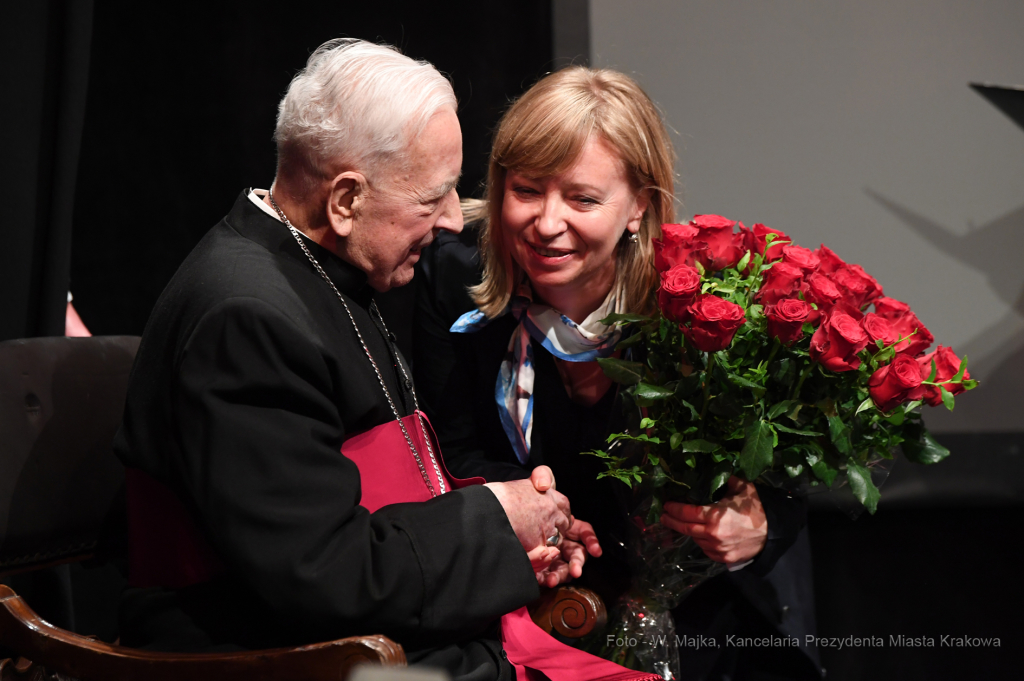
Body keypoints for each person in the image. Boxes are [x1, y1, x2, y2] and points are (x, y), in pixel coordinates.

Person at [113, 39, 619, 681]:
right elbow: (321, 574)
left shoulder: (328, 270)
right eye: (431, 197)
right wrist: (495, 522)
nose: (449, 223)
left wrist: (518, 522)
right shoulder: (245, 318)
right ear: (345, 201)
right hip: (274, 656)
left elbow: (381, 493)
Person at [413, 67, 823, 680]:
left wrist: (759, 524)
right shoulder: (452, 273)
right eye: (526, 190)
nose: (547, 224)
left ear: (640, 208)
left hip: (700, 615)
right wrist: (539, 509)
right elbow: (451, 445)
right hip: (536, 603)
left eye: (582, 199)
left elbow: (787, 469)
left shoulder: (699, 306)